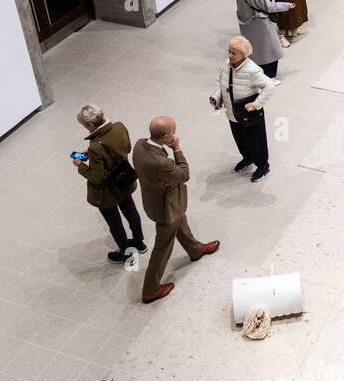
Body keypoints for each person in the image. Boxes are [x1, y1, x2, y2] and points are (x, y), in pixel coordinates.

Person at [132, 116, 219, 304]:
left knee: (181, 222)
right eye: (173, 132)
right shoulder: (161, 162)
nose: (175, 134)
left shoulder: (139, 145)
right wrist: (177, 149)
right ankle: (150, 289)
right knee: (162, 247)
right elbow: (184, 174)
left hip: (158, 199)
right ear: (165, 137)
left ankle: (195, 250)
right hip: (166, 207)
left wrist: (164, 179)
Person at [74, 105, 147, 264]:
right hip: (124, 181)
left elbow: (97, 177)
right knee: (131, 211)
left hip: (107, 192)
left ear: (90, 125)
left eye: (84, 125)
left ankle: (126, 254)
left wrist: (80, 165)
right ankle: (139, 243)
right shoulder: (119, 127)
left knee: (114, 221)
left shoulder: (95, 147)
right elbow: (126, 148)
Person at [210, 36, 275, 183]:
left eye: (234, 53)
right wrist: (218, 97)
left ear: (244, 55)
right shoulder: (226, 65)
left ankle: (263, 165)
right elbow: (220, 81)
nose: (230, 55)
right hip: (232, 112)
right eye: (229, 51)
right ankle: (248, 157)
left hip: (249, 113)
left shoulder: (252, 70)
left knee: (256, 140)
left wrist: (256, 104)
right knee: (240, 138)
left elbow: (269, 86)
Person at [235, 0, 292, 77]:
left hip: (248, 25)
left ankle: (261, 77)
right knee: (271, 51)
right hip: (261, 25)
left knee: (256, 53)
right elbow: (269, 7)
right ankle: (270, 77)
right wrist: (287, 5)